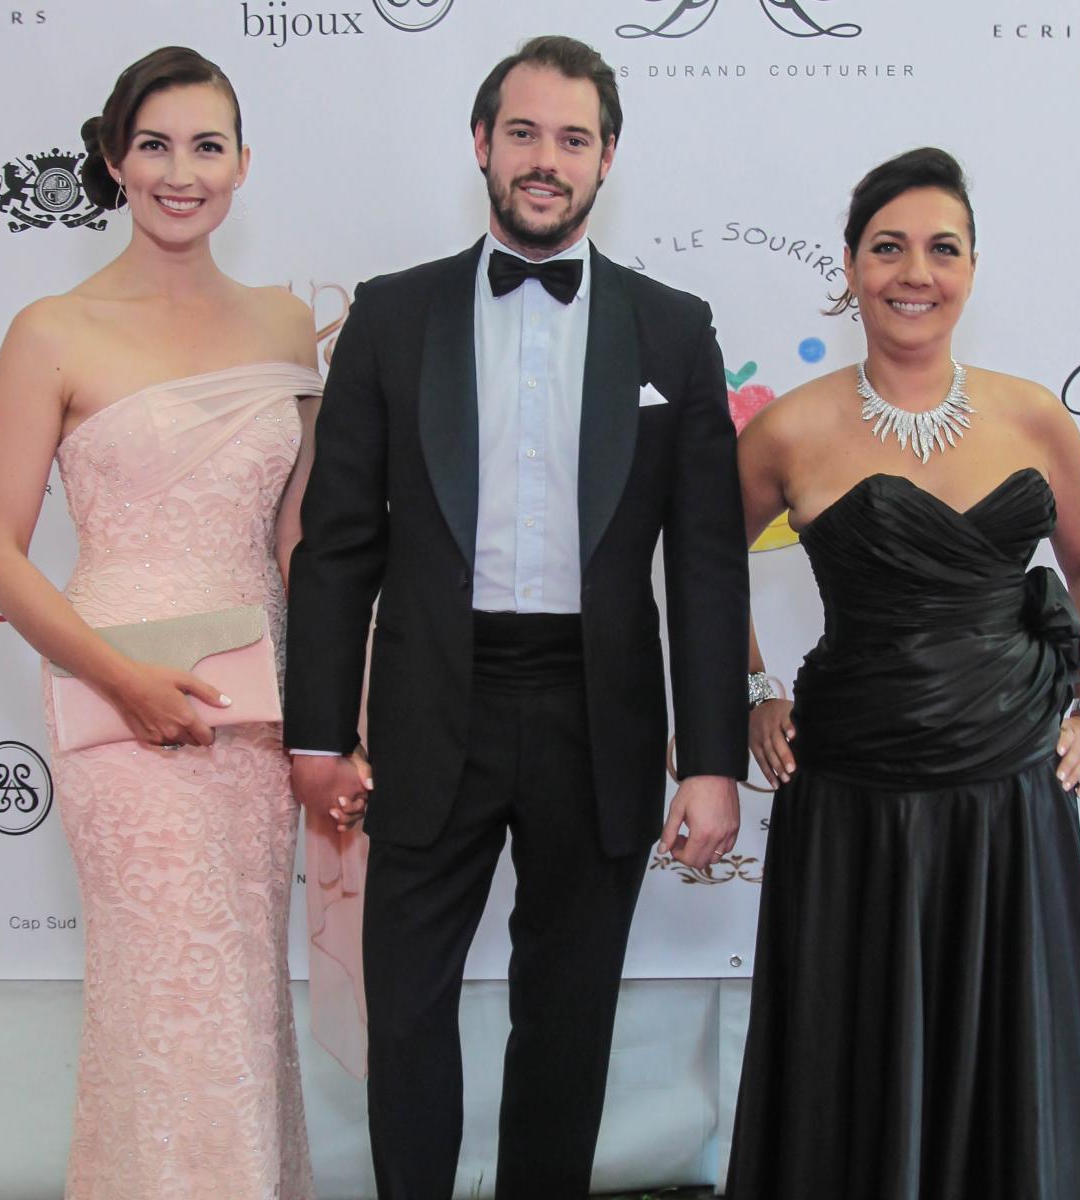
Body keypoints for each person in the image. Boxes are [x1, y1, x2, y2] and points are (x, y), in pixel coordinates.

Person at [285, 34, 750, 1200]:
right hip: (434, 699)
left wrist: (712, 760)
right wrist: (315, 732)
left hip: (599, 711)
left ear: (607, 161)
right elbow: (339, 545)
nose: (547, 160)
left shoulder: (672, 327)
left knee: (568, 1015)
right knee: (406, 1008)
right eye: (526, 133)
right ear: (482, 145)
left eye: (574, 139)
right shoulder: (392, 319)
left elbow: (702, 562)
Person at [0, 46, 362, 1199]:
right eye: (153, 145)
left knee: (237, 985)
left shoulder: (288, 326)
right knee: (159, 987)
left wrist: (335, 708)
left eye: (205, 145)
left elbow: (298, 541)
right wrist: (123, 680)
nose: (180, 172)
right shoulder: (52, 328)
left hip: (254, 700)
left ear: (242, 164)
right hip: (113, 703)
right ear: (111, 158)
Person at [726, 147, 1080, 1198]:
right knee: (855, 1038)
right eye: (888, 247)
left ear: (971, 267)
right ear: (850, 268)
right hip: (856, 788)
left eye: (941, 249)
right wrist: (755, 692)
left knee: (1004, 1039)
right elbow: (698, 570)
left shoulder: (1033, 414)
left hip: (1009, 788)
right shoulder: (789, 427)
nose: (916, 271)